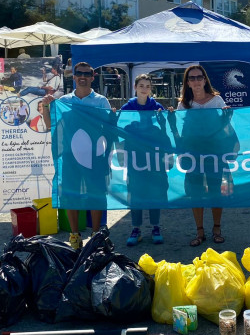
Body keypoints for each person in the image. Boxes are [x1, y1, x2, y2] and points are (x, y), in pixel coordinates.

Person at [42, 62, 112, 250]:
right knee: (71, 195)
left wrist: (107, 156)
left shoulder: (101, 101)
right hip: (70, 156)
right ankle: (74, 235)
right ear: (73, 77)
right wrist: (45, 107)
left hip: (95, 155)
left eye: (86, 74)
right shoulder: (64, 101)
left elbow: (109, 128)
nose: (82, 76)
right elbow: (50, 125)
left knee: (96, 194)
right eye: (79, 73)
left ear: (92, 77)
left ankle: (96, 235)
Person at [173, 65, 229, 247]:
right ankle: (200, 232)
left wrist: (227, 117)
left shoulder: (217, 100)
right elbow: (181, 130)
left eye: (199, 77)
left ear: (205, 79)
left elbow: (224, 129)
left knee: (215, 191)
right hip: (193, 152)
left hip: (214, 152)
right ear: (187, 83)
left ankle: (217, 229)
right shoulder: (183, 104)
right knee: (195, 192)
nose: (196, 81)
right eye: (192, 78)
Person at [120, 73, 167, 246]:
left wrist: (166, 117)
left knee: (155, 192)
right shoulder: (127, 108)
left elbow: (164, 131)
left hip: (154, 158)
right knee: (136, 193)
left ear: (151, 89)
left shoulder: (157, 107)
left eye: (147, 86)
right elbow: (120, 130)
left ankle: (156, 227)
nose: (144, 89)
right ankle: (136, 229)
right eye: (141, 86)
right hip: (135, 158)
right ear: (135, 87)